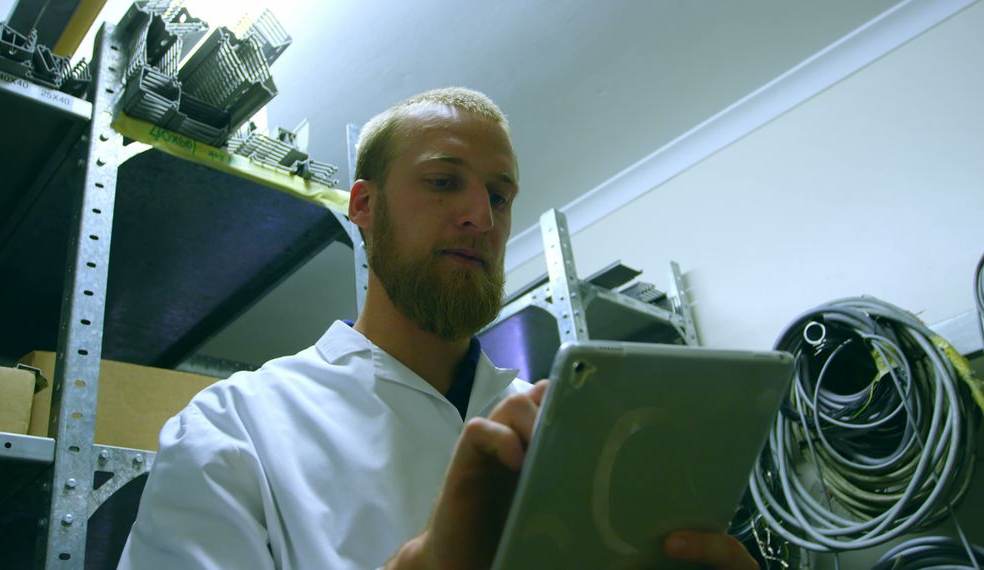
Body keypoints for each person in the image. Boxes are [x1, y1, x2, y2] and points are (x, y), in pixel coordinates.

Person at [118, 88, 757, 569]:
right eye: (444, 182)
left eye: (499, 196)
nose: (481, 216)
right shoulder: (234, 430)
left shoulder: (564, 431)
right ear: (365, 208)